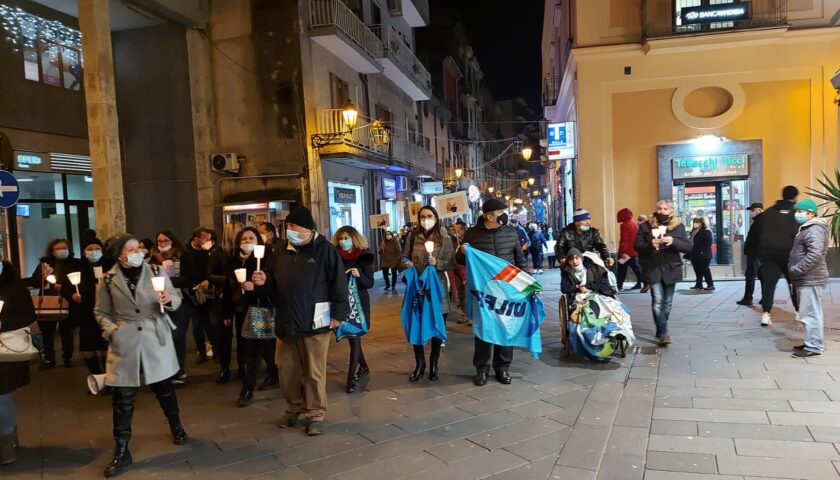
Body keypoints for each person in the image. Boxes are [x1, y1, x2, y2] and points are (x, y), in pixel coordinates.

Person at [96, 234, 187, 477]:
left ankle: (176, 424)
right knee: (122, 397)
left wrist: (168, 300)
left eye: (138, 247)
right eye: (131, 249)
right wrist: (112, 331)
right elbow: (101, 312)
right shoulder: (107, 280)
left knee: (164, 387)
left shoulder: (156, 270)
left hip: (154, 334)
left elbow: (176, 299)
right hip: (125, 340)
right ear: (119, 254)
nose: (138, 251)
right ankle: (122, 449)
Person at [253, 206, 349, 436]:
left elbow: (338, 285)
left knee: (315, 373)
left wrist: (338, 315)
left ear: (307, 228)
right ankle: (293, 408)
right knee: (287, 371)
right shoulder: (278, 251)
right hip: (286, 321)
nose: (290, 230)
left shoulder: (325, 250)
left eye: (294, 226)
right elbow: (271, 285)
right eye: (288, 227)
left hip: (315, 322)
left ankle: (315, 413)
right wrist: (262, 281)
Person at [457, 198, 527, 386]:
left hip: (506, 289)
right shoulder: (472, 234)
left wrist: (526, 283)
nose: (504, 215)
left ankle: (502, 368)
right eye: (500, 212)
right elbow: (461, 260)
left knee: (506, 328)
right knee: (483, 329)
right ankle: (481, 369)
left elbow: (519, 258)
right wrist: (462, 252)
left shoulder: (510, 232)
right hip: (484, 290)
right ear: (488, 216)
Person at [220, 227, 278, 407]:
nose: (247, 241)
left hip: (260, 308)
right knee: (265, 345)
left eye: (251, 238)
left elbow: (273, 285)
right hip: (240, 309)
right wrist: (227, 312)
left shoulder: (266, 259)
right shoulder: (232, 262)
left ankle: (248, 387)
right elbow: (227, 289)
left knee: (253, 349)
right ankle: (274, 374)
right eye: (243, 239)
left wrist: (257, 287)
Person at [401, 206, 455, 383]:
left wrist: (437, 262)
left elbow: (450, 263)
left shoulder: (444, 237)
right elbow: (403, 257)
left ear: (436, 217)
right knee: (417, 326)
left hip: (436, 289)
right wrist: (407, 262)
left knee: (436, 329)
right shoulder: (412, 236)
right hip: (417, 288)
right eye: (422, 216)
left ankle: (434, 363)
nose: (426, 219)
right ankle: (420, 364)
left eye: (429, 216)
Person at [634, 200, 692, 346]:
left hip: (671, 268)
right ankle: (663, 331)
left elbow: (688, 247)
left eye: (665, 209)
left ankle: (661, 327)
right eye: (659, 208)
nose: (661, 211)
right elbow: (637, 245)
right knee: (658, 300)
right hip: (652, 268)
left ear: (671, 211)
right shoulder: (645, 226)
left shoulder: (678, 227)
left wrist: (673, 241)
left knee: (667, 302)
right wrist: (650, 244)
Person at [148, 231, 199, 385]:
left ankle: (179, 370)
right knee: (164, 336)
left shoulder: (183, 256)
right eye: (159, 241)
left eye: (165, 240)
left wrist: (170, 281)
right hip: (160, 301)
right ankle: (166, 370)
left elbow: (191, 278)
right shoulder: (153, 260)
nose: (162, 244)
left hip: (182, 300)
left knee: (177, 334)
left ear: (173, 241)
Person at [0, 260, 37, 465]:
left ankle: (6, 441)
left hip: (5, 349)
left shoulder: (14, 284)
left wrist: (2, 323)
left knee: (1, 396)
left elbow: (28, 315)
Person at [64, 237, 115, 380]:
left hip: (107, 311)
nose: (94, 252)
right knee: (87, 349)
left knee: (106, 347)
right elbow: (67, 286)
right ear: (84, 251)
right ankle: (97, 376)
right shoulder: (77, 267)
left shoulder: (110, 265)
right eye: (90, 249)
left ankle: (109, 378)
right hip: (86, 312)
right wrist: (73, 294)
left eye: (97, 249)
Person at [27, 238, 81, 369]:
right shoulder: (45, 264)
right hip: (48, 302)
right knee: (47, 332)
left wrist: (63, 288)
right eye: (58, 248)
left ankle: (67, 357)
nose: (62, 251)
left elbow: (79, 281)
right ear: (52, 251)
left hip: (67, 301)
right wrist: (43, 277)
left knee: (67, 331)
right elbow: (34, 282)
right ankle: (49, 359)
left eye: (64, 248)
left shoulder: (75, 263)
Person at [332, 226, 373, 393]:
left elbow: (369, 283)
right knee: (351, 338)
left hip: (360, 304)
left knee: (355, 338)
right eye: (340, 238)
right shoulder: (335, 256)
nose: (343, 241)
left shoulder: (364, 255)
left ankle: (350, 380)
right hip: (342, 303)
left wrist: (359, 275)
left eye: (346, 238)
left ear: (354, 238)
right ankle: (363, 366)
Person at [751, 186, 800, 326]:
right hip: (789, 256)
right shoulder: (796, 214)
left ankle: (766, 314)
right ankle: (798, 312)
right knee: (794, 284)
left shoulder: (767, 213)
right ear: (795, 197)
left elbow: (757, 233)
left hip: (769, 255)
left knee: (769, 285)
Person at [788, 199, 829, 358]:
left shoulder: (815, 229)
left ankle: (814, 346)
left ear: (811, 213)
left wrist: (797, 269)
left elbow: (815, 254)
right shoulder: (809, 228)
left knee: (811, 313)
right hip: (808, 277)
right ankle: (812, 342)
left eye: (800, 211)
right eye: (797, 211)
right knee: (809, 312)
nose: (797, 214)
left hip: (810, 277)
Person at [184, 227, 217, 365]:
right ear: (196, 239)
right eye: (206, 239)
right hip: (192, 292)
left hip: (208, 290)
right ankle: (201, 351)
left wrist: (208, 280)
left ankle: (216, 350)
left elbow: (214, 268)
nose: (209, 241)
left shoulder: (211, 251)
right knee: (197, 324)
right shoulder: (186, 251)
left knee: (211, 322)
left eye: (210, 239)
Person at [737, 203, 764, 306]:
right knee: (761, 275)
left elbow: (759, 238)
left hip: (755, 253)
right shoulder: (760, 221)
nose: (751, 213)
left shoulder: (760, 222)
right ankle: (764, 297)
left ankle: (748, 298)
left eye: (752, 210)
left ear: (759, 210)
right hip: (757, 253)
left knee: (750, 275)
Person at [616, 208, 642, 291]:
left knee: (621, 269)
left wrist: (622, 251)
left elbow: (624, 239)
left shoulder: (624, 225)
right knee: (637, 269)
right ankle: (643, 283)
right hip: (634, 251)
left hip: (626, 253)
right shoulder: (635, 224)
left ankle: (619, 286)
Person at [689, 217, 715, 291]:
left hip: (704, 254)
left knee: (705, 269)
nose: (695, 223)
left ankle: (710, 284)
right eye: (694, 221)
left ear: (702, 223)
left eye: (697, 222)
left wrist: (702, 250)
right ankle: (698, 284)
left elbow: (709, 242)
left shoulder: (706, 231)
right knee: (697, 269)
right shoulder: (693, 232)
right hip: (694, 253)